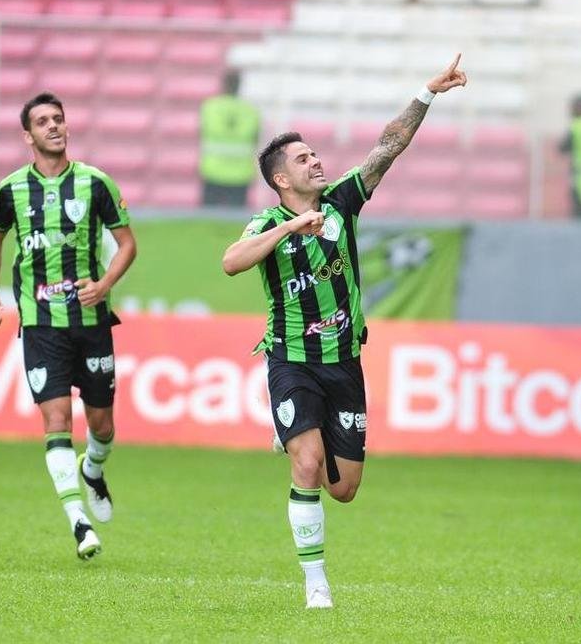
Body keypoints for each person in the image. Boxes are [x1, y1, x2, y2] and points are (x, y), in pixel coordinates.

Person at [221, 54, 468, 609]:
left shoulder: (341, 203)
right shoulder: (266, 225)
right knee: (306, 465)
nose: (316, 162)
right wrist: (289, 227)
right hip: (291, 359)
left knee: (344, 489)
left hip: (344, 363)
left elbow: (388, 146)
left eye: (315, 154)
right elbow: (232, 262)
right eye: (304, 159)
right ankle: (316, 585)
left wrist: (426, 94)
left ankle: (296, 435)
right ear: (281, 179)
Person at [0, 92, 138, 560]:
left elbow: (127, 244)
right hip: (40, 324)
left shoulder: (96, 183)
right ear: (28, 135)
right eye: (43, 121)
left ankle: (92, 468)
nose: (54, 126)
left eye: (59, 119)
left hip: (90, 321)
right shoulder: (10, 190)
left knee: (103, 425)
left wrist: (106, 283)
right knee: (55, 421)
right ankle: (79, 523)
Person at [200, 70, 261, 208]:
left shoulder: (210, 107)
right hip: (241, 173)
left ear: (223, 85)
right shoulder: (250, 111)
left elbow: (202, 133)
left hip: (213, 170)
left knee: (207, 219)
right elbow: (256, 139)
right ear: (239, 86)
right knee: (235, 222)